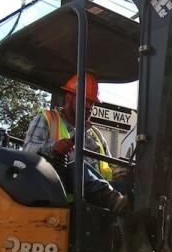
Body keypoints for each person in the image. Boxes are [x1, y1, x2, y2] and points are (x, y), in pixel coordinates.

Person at [22, 72, 129, 213]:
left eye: (92, 102)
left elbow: (109, 168)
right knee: (77, 166)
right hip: (65, 193)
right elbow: (28, 149)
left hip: (100, 190)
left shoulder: (95, 134)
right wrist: (53, 146)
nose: (90, 106)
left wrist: (126, 170)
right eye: (86, 100)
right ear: (68, 98)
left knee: (132, 186)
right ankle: (115, 202)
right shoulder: (48, 119)